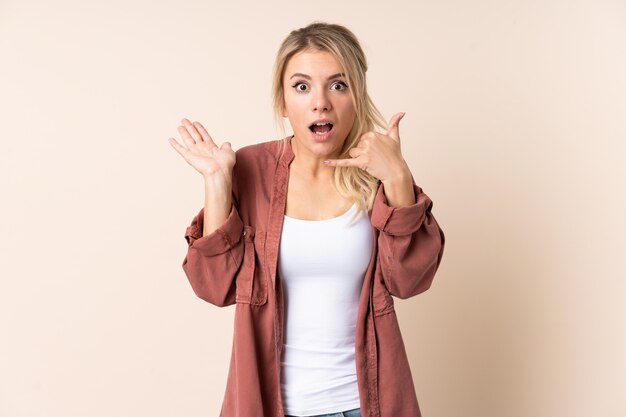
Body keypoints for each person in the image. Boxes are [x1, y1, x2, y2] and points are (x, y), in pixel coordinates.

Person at [168, 22, 445, 417]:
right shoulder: (250, 169)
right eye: (302, 87)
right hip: (271, 405)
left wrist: (398, 177)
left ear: (356, 96)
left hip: (363, 403)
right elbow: (214, 287)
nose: (320, 103)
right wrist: (216, 182)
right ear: (283, 102)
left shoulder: (378, 170)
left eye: (338, 85)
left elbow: (409, 281)